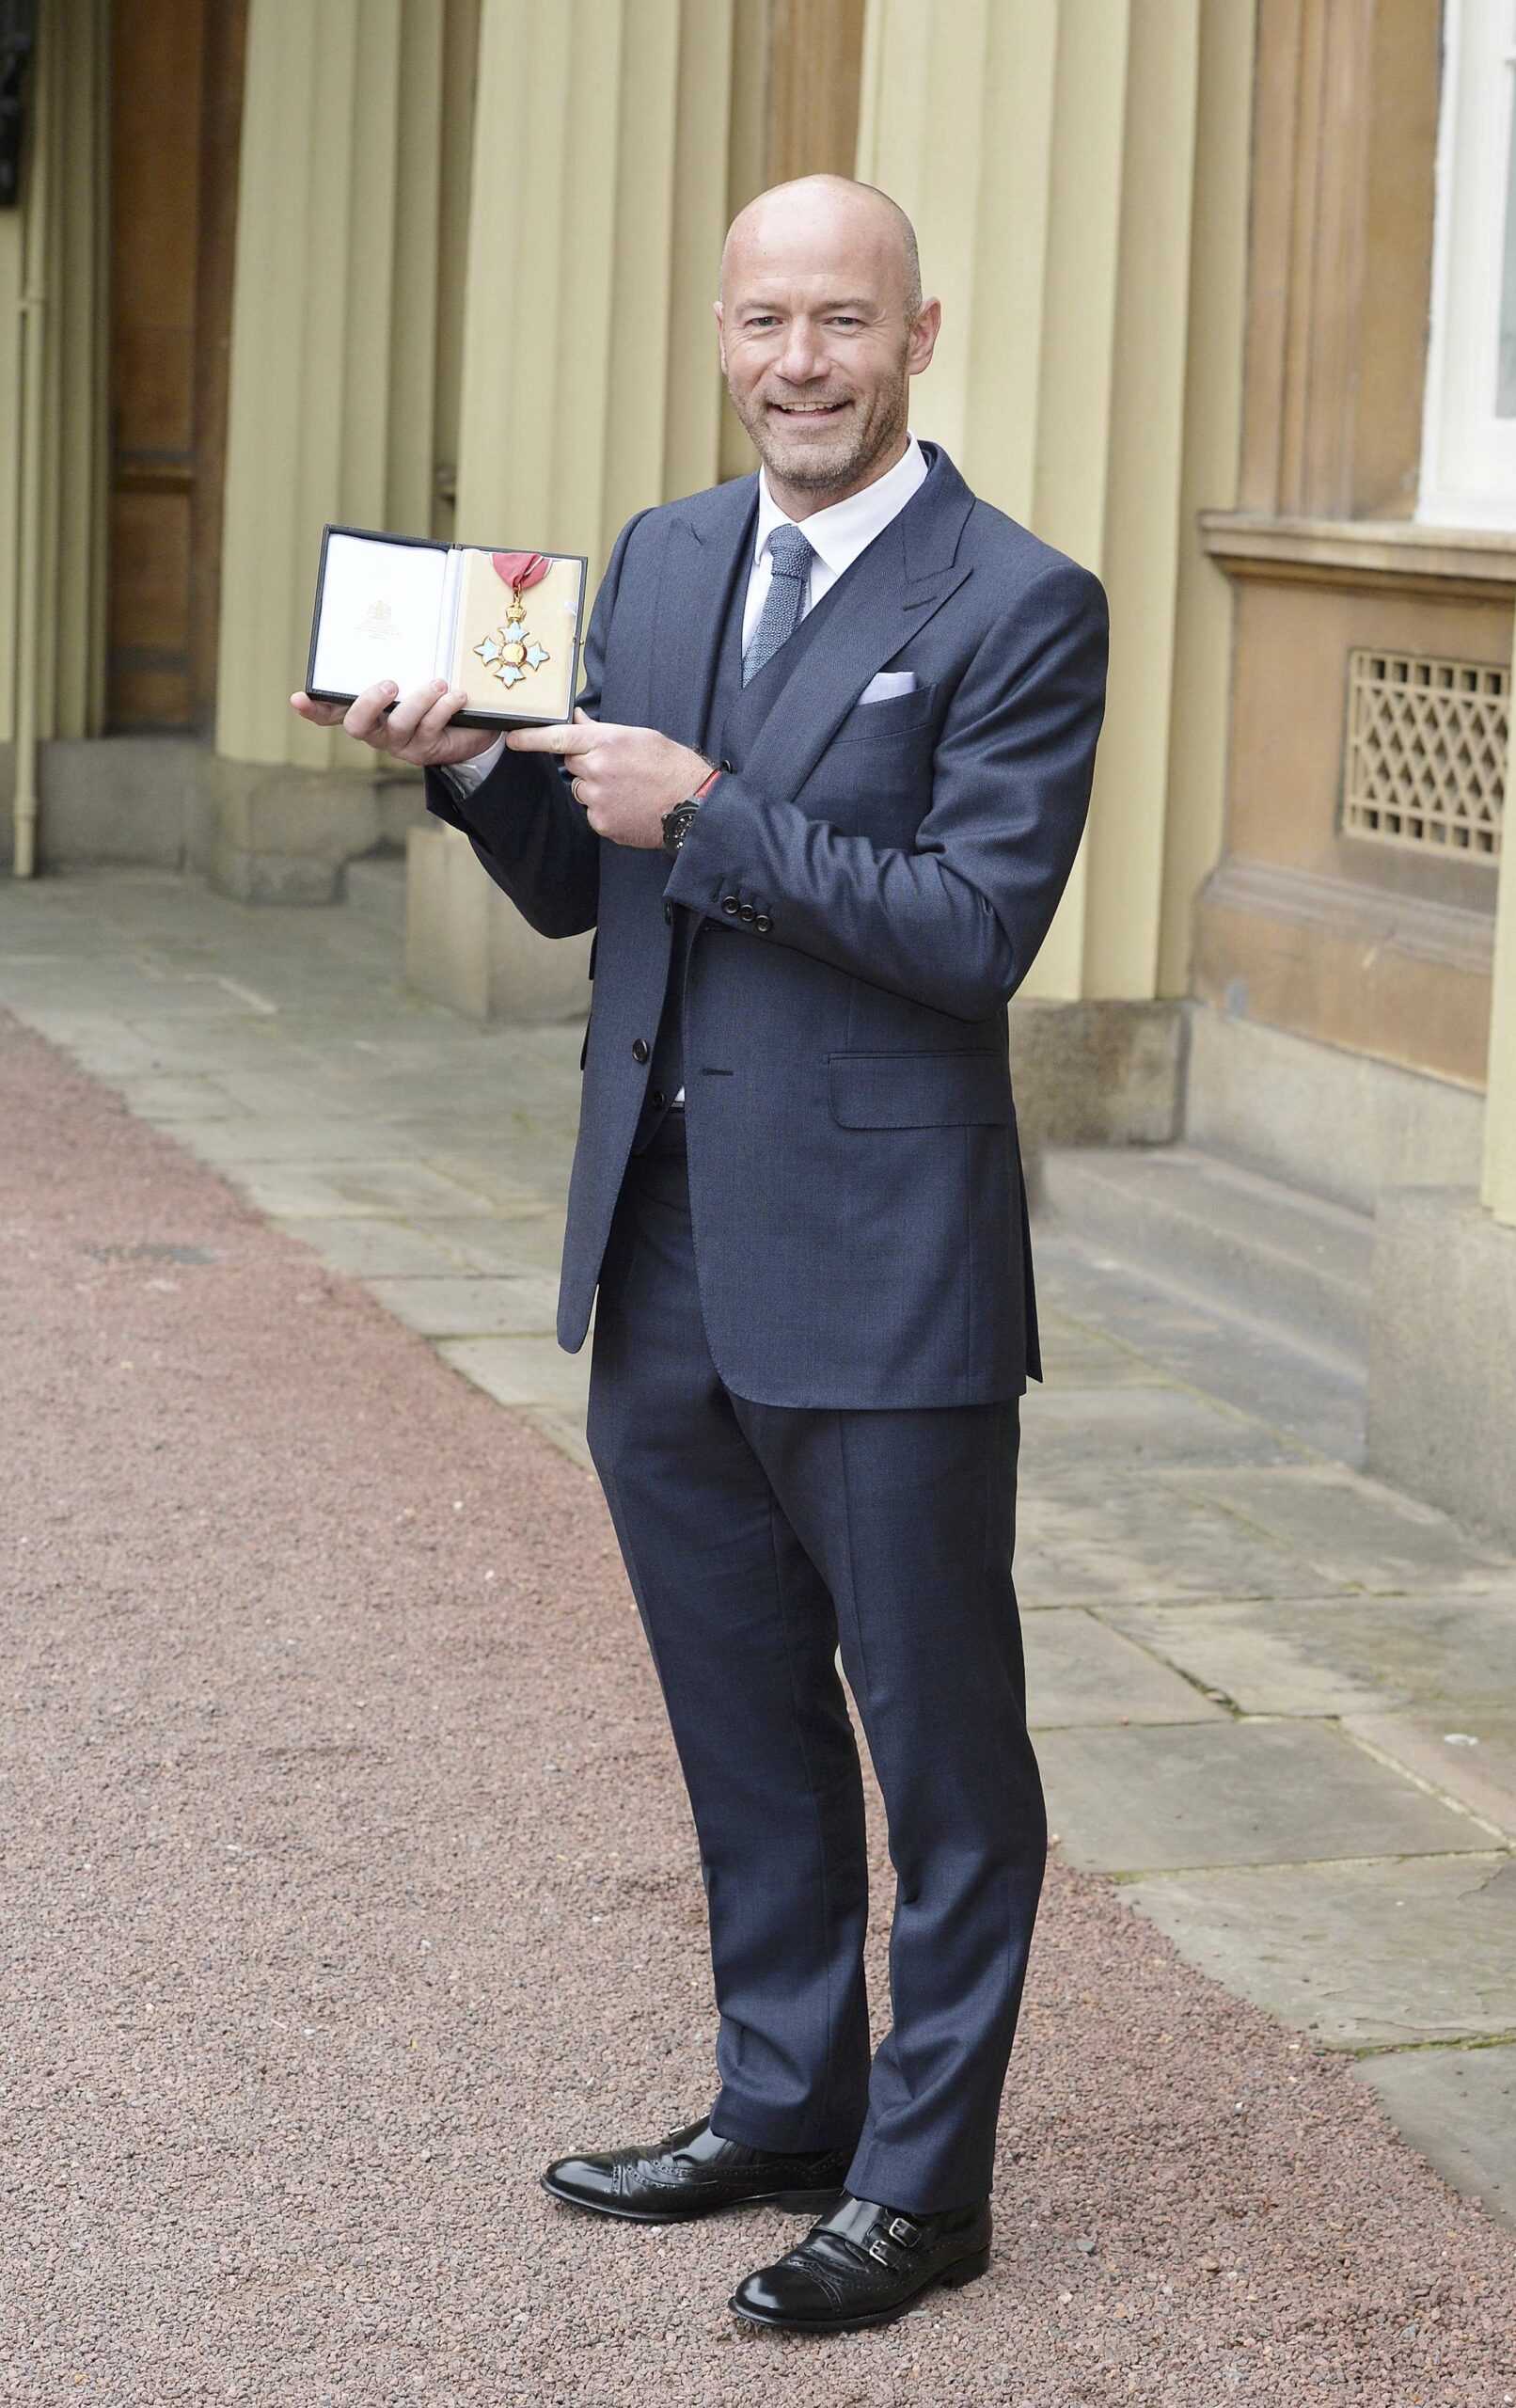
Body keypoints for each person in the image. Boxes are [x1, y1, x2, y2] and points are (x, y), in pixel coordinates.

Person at [292, 173, 1107, 2337]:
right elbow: (590, 877)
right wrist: (470, 766)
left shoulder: (1022, 599)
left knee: (940, 1748)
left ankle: (925, 2189)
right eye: (762, 321)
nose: (796, 364)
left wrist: (716, 806)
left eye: (840, 321)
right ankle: (782, 2099)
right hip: (654, 1252)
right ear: (724, 331)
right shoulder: (656, 557)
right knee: (740, 1716)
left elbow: (971, 932)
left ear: (918, 335)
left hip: (879, 1266)